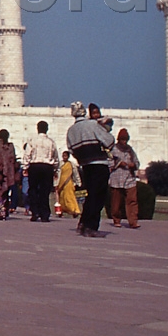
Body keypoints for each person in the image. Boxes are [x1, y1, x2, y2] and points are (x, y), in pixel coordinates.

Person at [66, 101, 115, 237]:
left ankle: (83, 223)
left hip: (85, 166)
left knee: (90, 195)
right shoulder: (92, 125)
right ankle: (91, 227)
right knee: (98, 196)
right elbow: (109, 141)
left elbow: (71, 150)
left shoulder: (71, 131)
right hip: (99, 164)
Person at [23, 120, 59, 223]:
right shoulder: (51, 142)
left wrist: (25, 167)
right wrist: (55, 169)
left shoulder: (32, 141)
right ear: (47, 129)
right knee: (45, 191)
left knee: (33, 189)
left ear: (37, 128)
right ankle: (44, 214)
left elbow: (27, 154)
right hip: (47, 167)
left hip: (34, 166)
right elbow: (55, 156)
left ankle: (35, 212)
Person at [108, 128, 140, 229]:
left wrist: (133, 165)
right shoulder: (113, 149)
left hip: (129, 178)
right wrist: (118, 163)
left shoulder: (130, 150)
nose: (124, 142)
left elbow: (137, 162)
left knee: (132, 200)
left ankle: (133, 221)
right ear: (118, 139)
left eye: (126, 140)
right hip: (117, 178)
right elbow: (108, 161)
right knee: (116, 201)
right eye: (122, 140)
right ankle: (116, 219)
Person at [56, 150, 81, 218]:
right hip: (60, 183)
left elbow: (75, 174)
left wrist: (78, 182)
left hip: (68, 183)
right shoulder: (60, 164)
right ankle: (60, 211)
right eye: (63, 156)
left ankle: (74, 211)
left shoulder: (71, 164)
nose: (64, 157)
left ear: (68, 157)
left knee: (70, 197)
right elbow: (56, 173)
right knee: (61, 198)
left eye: (66, 156)